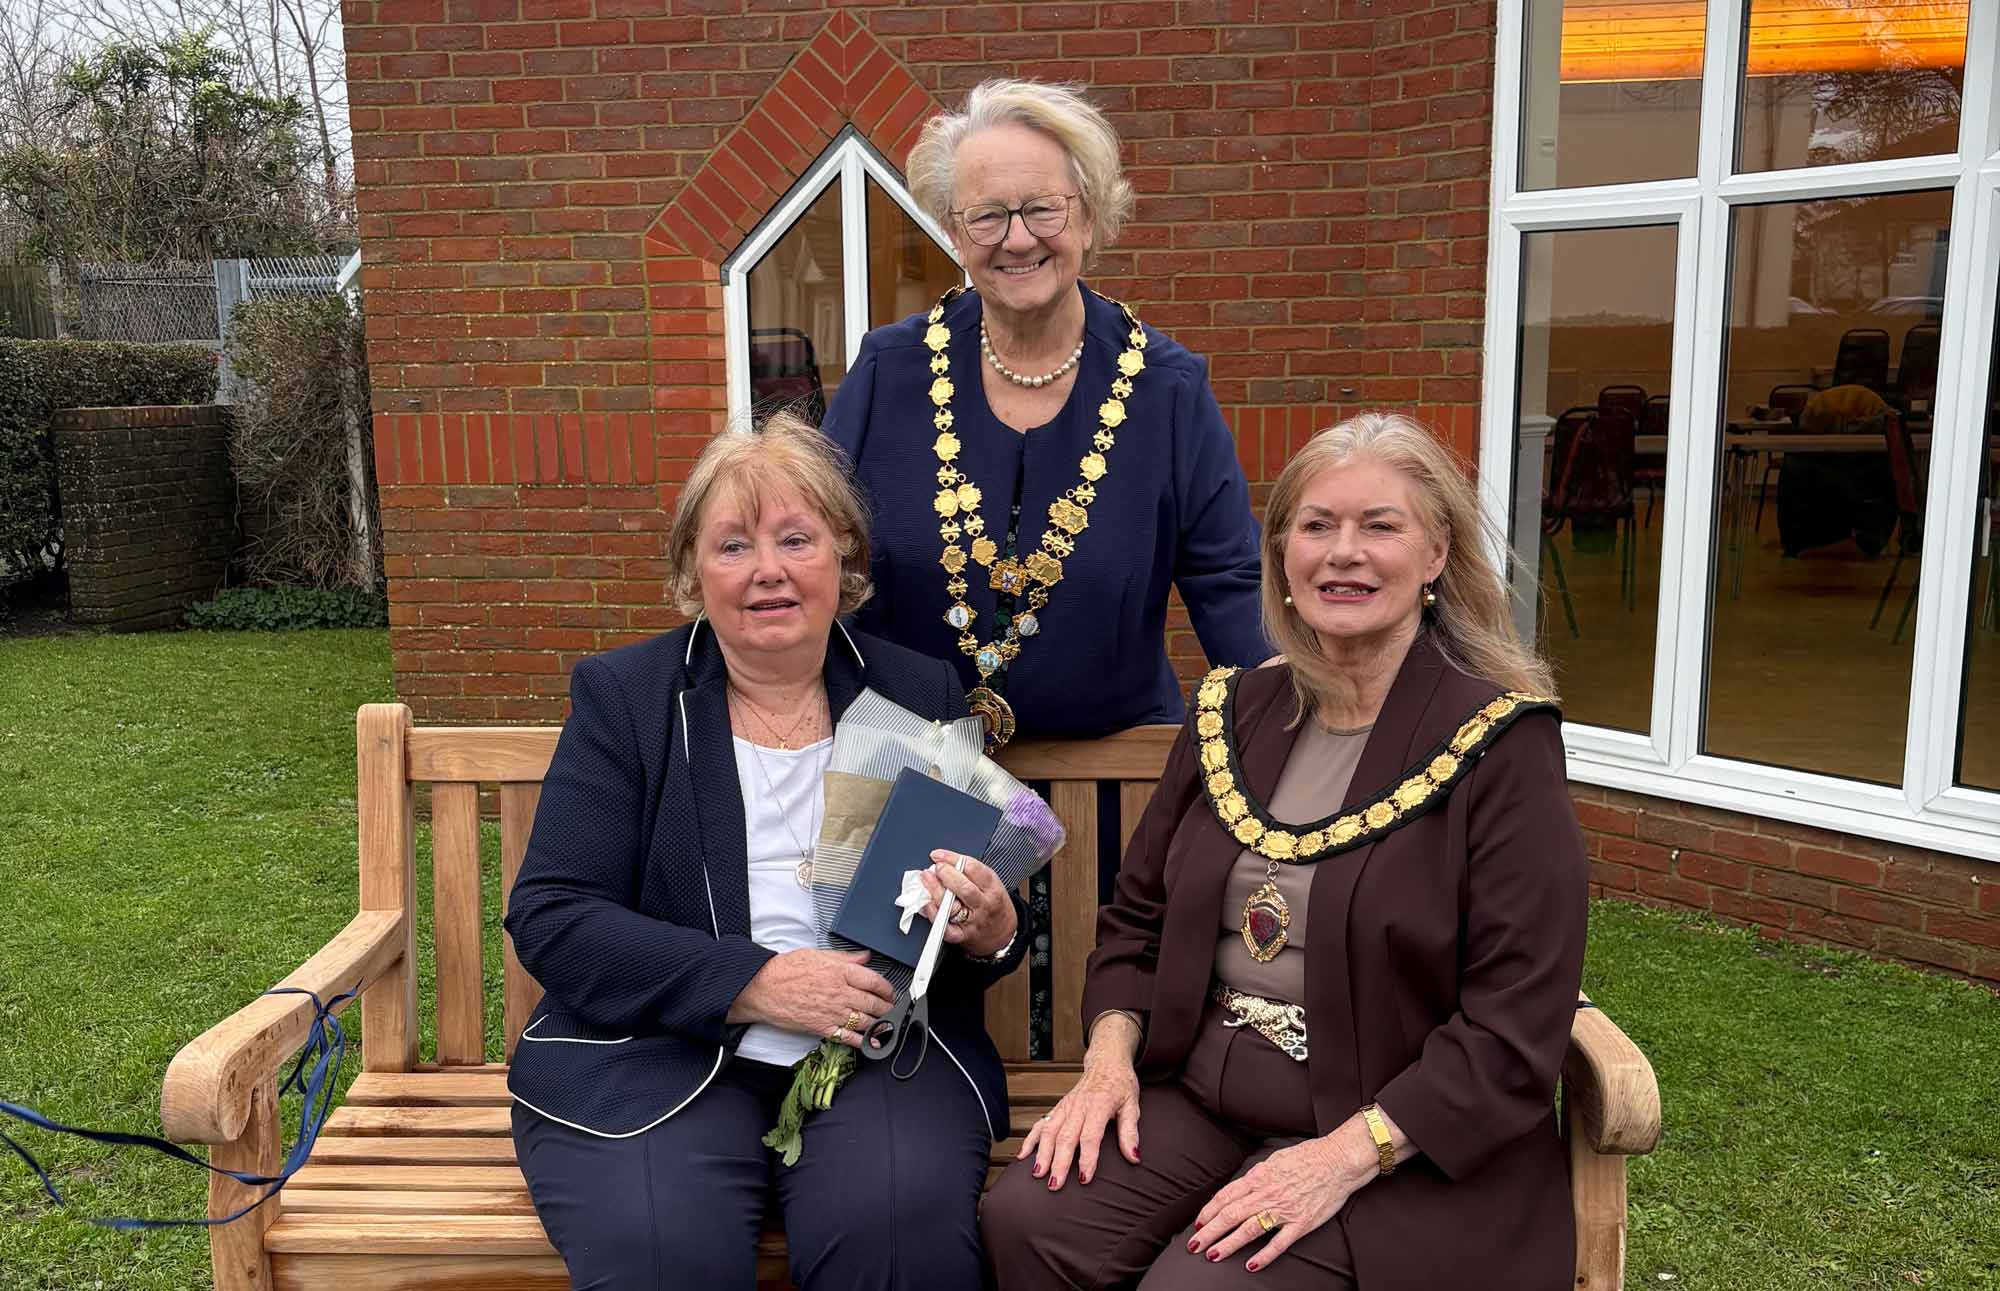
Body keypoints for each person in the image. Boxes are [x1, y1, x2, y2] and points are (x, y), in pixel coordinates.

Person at [981, 413, 1590, 1290]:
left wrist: (1338, 1159)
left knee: (1200, 1286)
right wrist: (1108, 1065)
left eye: (1380, 525)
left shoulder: (1502, 743)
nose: (1344, 552)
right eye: (1317, 525)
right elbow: (1136, 920)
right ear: (1283, 558)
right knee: (1033, 1222)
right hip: (1203, 1092)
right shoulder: (1232, 710)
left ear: (1435, 555)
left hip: (1396, 1136)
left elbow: (1515, 1024)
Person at [504, 413, 1030, 1291]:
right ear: (691, 574)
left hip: (876, 1049)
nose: (769, 571)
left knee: (897, 1234)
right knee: (660, 1246)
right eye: (733, 546)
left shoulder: (916, 689)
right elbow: (554, 916)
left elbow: (969, 913)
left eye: (796, 538)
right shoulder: (627, 699)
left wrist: (990, 924)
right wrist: (753, 982)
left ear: (844, 561)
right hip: (657, 1051)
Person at [823, 77, 1268, 752]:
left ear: (1089, 217)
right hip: (911, 778)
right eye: (988, 215)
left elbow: (1231, 584)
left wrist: (1299, 727)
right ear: (954, 230)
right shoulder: (890, 371)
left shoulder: (1167, 391)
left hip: (1113, 782)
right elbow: (814, 548)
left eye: (1042, 210)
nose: (1018, 239)